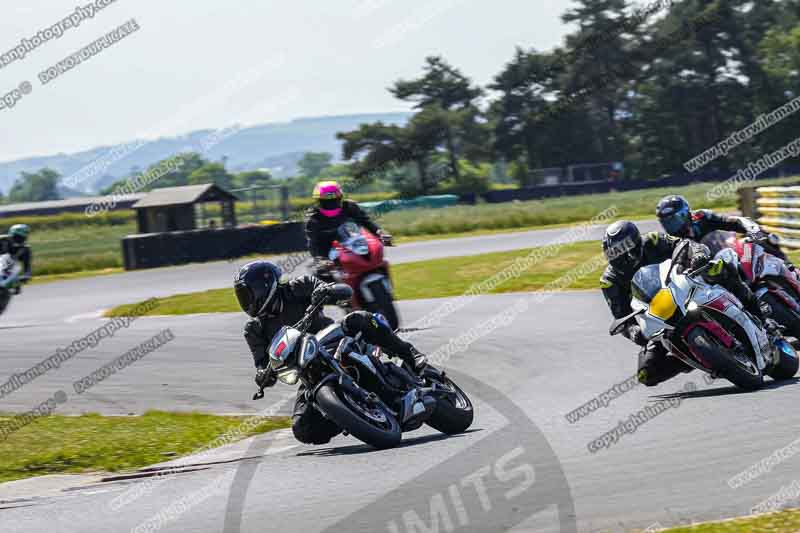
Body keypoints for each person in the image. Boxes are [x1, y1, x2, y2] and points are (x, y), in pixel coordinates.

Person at [234, 260, 427, 444]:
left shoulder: (296, 287)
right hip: (308, 370)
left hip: (333, 339)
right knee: (303, 429)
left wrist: (325, 290)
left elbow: (326, 287)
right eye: (243, 296)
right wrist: (262, 376)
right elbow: (261, 363)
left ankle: (410, 354)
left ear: (265, 285)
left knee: (358, 319)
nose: (246, 300)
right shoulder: (253, 329)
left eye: (248, 293)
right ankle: (350, 415)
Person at [600, 220, 771, 387]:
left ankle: (759, 315)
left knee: (722, 268)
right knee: (647, 374)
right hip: (660, 318)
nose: (621, 257)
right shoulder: (609, 281)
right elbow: (621, 317)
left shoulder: (653, 240)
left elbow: (684, 244)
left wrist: (697, 255)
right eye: (614, 253)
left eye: (624, 251)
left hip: (687, 284)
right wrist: (633, 332)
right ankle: (693, 357)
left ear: (636, 244)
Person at [655, 194, 788, 260]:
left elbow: (731, 222)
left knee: (765, 240)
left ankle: (789, 267)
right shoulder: (670, 243)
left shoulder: (702, 217)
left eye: (673, 220)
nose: (672, 226)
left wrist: (751, 229)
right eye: (666, 222)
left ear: (685, 214)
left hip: (731, 254)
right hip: (714, 274)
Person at [305, 181, 393, 261]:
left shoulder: (349, 207)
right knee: (324, 275)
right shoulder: (313, 216)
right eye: (327, 200)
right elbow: (313, 241)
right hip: (328, 252)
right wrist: (320, 259)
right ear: (319, 200)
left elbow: (365, 221)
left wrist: (380, 233)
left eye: (334, 198)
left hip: (352, 243)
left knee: (375, 259)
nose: (331, 202)